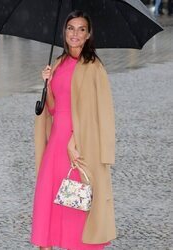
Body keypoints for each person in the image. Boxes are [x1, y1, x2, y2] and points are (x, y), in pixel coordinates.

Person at [31, 10, 116, 250]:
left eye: (81, 29)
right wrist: (46, 83)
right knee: (49, 202)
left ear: (89, 34)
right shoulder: (58, 63)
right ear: (64, 32)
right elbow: (55, 109)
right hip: (56, 143)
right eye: (71, 28)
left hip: (82, 147)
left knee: (76, 207)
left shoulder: (93, 67)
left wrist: (75, 140)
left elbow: (98, 112)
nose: (75, 34)